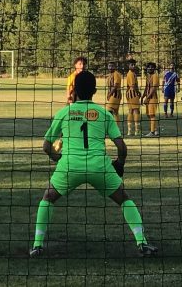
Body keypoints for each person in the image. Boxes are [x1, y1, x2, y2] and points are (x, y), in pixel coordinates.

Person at [29, 70, 157, 257]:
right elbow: (122, 147)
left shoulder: (65, 112)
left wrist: (60, 159)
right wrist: (119, 164)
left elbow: (47, 147)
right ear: (95, 91)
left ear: (74, 90)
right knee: (124, 199)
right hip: (100, 167)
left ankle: (37, 245)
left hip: (70, 166)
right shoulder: (104, 113)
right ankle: (142, 243)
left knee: (48, 198)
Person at [141, 62, 160, 137]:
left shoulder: (155, 76)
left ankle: (152, 132)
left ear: (154, 69)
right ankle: (155, 130)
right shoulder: (148, 76)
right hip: (148, 98)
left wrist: (147, 98)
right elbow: (146, 87)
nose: (150, 68)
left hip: (153, 98)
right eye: (149, 67)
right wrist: (143, 96)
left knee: (152, 114)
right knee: (148, 114)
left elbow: (154, 88)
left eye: (152, 67)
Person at [124, 59, 142, 136]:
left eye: (134, 64)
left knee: (131, 111)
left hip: (129, 94)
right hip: (133, 94)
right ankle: (137, 131)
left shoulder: (131, 73)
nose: (133, 66)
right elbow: (132, 85)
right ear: (129, 65)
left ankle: (129, 131)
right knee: (136, 111)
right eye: (132, 64)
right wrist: (138, 92)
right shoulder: (131, 74)